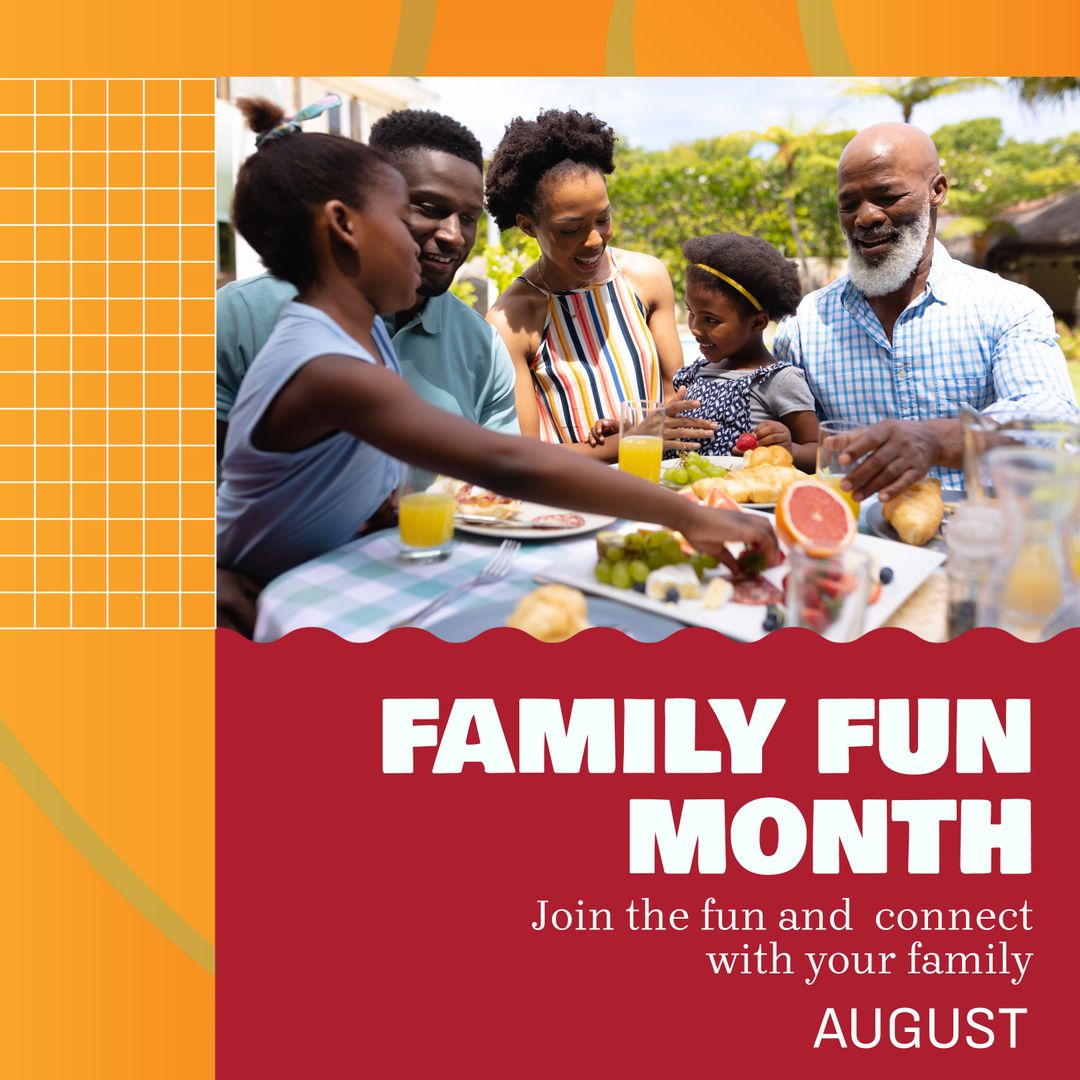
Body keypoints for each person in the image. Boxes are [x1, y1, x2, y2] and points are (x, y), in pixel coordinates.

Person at [216, 98, 776, 605]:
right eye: (407, 215)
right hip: (266, 595)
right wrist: (687, 516)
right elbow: (504, 461)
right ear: (344, 226)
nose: (451, 239)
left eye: (468, 220)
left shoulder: (353, 337)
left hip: (332, 578)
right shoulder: (329, 365)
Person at [772, 121, 1078, 502]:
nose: (865, 217)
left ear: (937, 190)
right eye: (848, 205)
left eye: (886, 196)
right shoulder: (805, 326)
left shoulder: (1007, 307)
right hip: (859, 547)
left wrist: (938, 439)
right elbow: (789, 447)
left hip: (977, 543)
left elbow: (1053, 426)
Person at [215, 106, 519, 463]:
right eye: (427, 207)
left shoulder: (482, 347)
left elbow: (501, 484)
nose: (454, 235)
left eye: (468, 218)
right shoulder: (238, 318)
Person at [484, 109, 716, 457]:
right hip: (573, 503)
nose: (594, 240)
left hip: (659, 483)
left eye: (603, 219)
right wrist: (627, 441)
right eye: (570, 229)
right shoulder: (512, 321)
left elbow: (675, 397)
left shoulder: (646, 279)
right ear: (529, 225)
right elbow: (525, 456)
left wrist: (637, 432)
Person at [661, 233, 817, 471]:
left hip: (740, 498)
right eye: (691, 312)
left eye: (711, 320)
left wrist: (789, 448)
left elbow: (816, 449)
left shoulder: (778, 380)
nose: (695, 328)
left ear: (757, 323)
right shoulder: (694, 374)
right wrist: (634, 429)